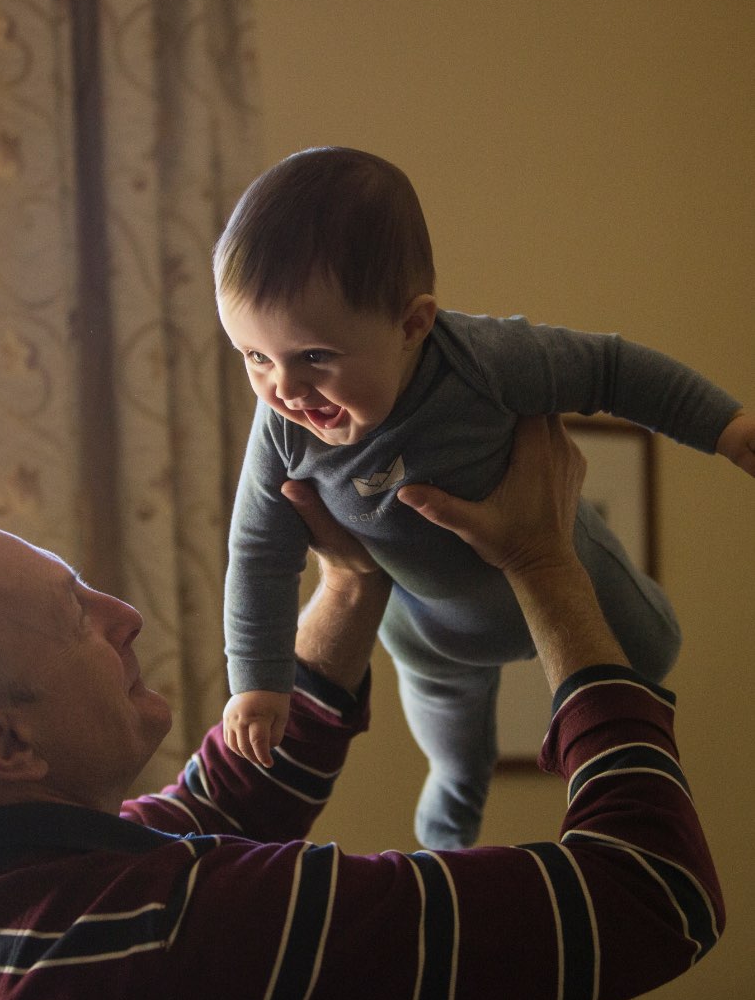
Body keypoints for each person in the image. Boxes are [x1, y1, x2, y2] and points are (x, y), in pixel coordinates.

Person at [0, 416, 724, 1000]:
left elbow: (220, 804)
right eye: (75, 616)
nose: (125, 615)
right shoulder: (188, 933)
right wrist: (545, 563)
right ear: (7, 743)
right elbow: (651, 895)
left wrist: (351, 584)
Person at [215, 145, 755, 848]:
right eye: (255, 357)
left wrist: (723, 423)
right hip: (433, 636)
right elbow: (258, 553)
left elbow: (612, 370)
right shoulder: (284, 433)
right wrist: (258, 682)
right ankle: (447, 847)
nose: (283, 389)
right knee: (456, 761)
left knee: (652, 653)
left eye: (314, 356)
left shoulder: (484, 362)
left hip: (569, 565)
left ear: (413, 325)